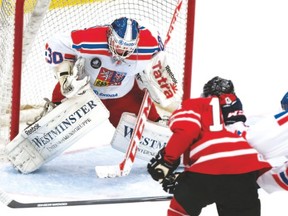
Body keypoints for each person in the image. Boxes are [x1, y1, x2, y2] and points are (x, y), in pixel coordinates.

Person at [147, 77, 272, 215]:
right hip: (247, 169)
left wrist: (167, 161)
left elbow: (188, 131)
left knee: (180, 211)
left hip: (209, 168)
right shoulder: (238, 118)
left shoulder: (196, 104)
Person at [44, 17, 164, 127]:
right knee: (54, 122)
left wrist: (158, 78)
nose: (123, 51)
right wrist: (64, 77)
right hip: (84, 92)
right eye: (119, 45)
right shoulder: (90, 39)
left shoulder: (149, 43)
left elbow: (160, 57)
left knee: (152, 127)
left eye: (128, 47)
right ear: (110, 35)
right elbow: (56, 43)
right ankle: (51, 117)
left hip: (123, 94)